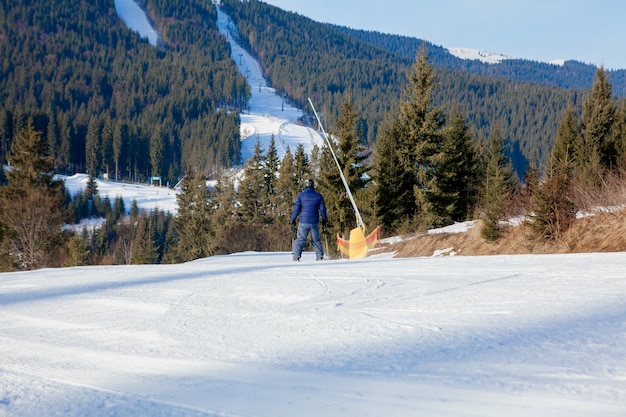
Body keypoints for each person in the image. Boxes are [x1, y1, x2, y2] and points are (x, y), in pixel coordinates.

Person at [291, 178, 328, 261]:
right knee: (316, 240)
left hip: (303, 221)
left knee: (300, 239)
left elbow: (296, 209)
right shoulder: (318, 196)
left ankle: (296, 257)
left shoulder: (301, 196)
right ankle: (319, 256)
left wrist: (293, 219)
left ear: (305, 186)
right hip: (314, 222)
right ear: (313, 186)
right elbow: (322, 209)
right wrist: (324, 219)